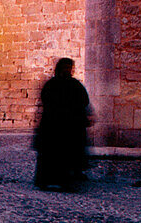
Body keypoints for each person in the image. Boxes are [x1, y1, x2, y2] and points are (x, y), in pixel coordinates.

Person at [33, 57, 92, 191]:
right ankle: (49, 181)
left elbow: (84, 101)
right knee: (52, 154)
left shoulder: (74, 84)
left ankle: (65, 180)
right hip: (53, 125)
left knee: (66, 154)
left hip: (69, 126)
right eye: (66, 68)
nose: (68, 70)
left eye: (69, 68)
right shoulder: (51, 85)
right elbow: (46, 101)